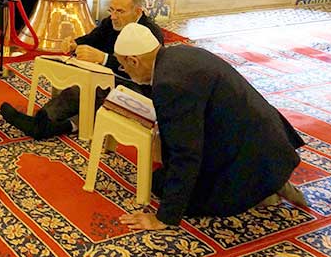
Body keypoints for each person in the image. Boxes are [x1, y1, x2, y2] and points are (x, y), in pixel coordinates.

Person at [112, 24, 308, 231]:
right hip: (264, 140)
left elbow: (185, 153)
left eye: (123, 66)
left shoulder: (170, 83)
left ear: (133, 60)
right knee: (165, 175)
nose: (125, 70)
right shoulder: (180, 53)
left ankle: (261, 190)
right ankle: (270, 178)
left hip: (250, 154)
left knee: (161, 184)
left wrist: (165, 217)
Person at [0, 0, 164, 139]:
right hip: (110, 78)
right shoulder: (111, 22)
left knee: (90, 88)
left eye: (120, 11)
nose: (113, 16)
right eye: (111, 10)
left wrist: (103, 59)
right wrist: (75, 43)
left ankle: (43, 123)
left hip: (139, 90)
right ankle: (48, 124)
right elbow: (93, 38)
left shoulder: (150, 32)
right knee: (81, 81)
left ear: (137, 12)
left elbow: (146, 72)